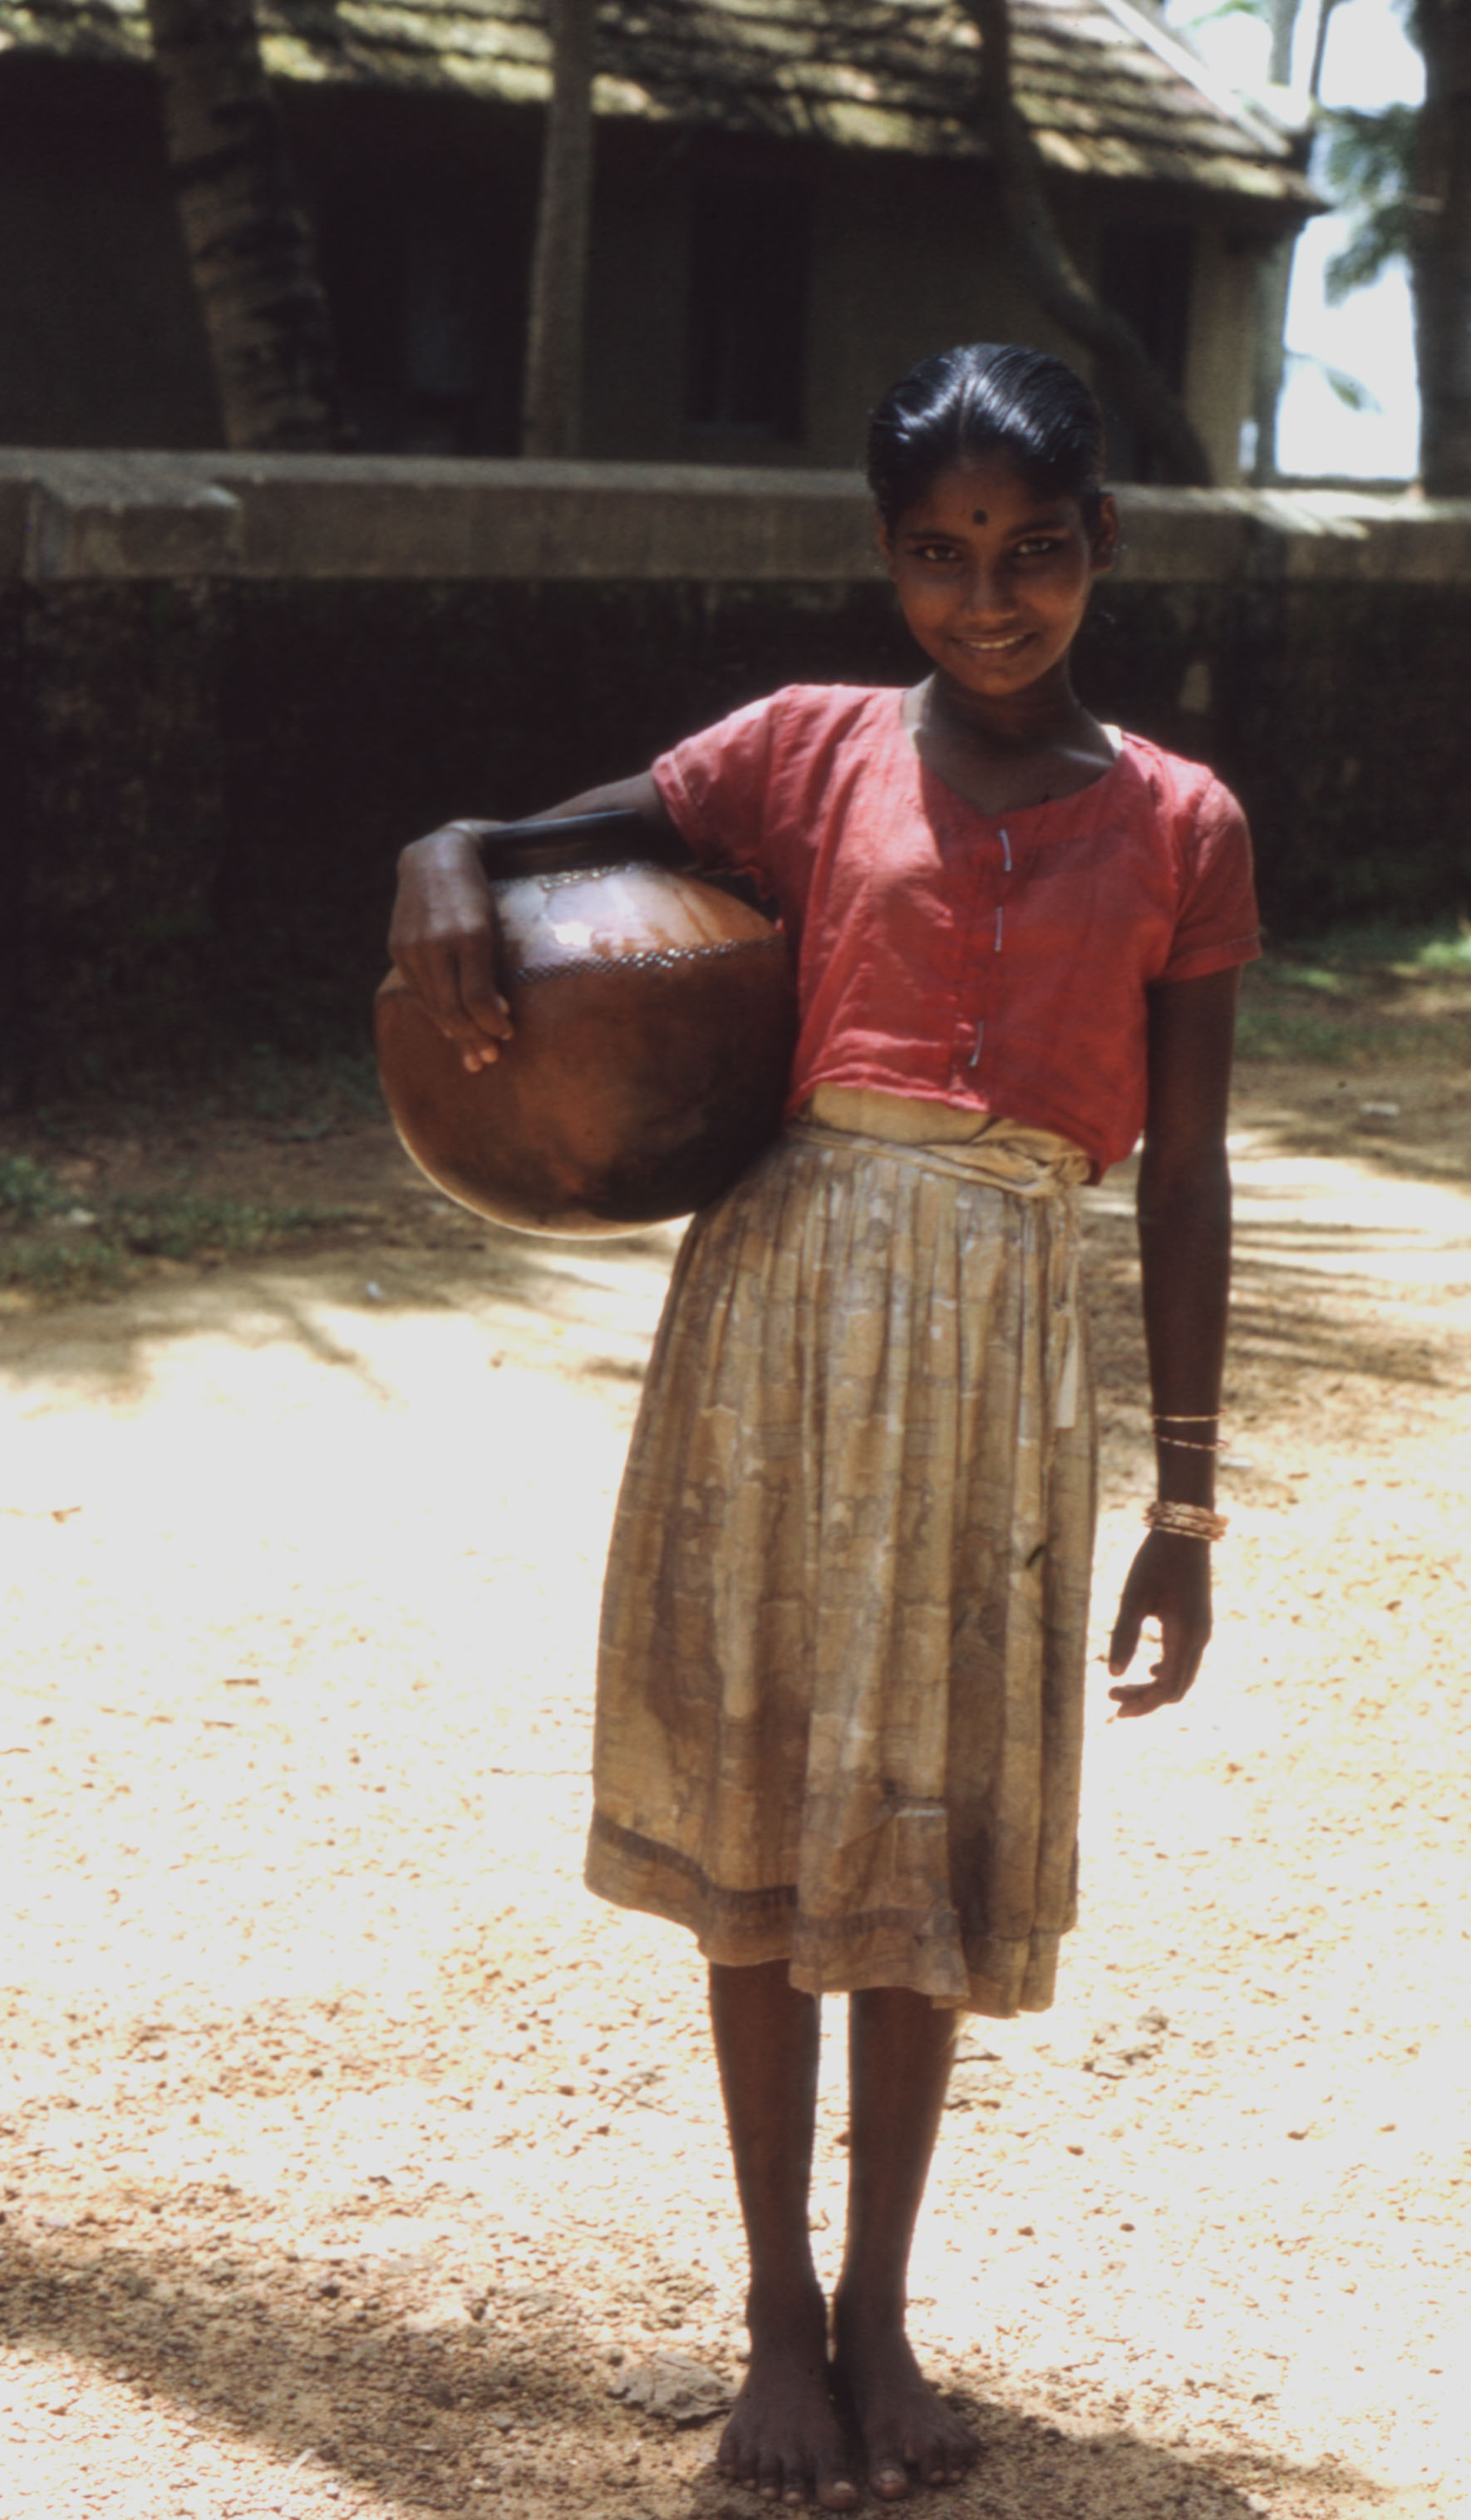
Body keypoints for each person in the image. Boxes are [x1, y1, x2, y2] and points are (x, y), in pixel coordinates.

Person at [388, 342, 1260, 2511]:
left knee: (927, 1831)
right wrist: (441, 851)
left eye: (1034, 554)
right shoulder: (800, 753)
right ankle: (776, 2305)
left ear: (1103, 550)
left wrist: (1188, 1497)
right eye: (945, 559)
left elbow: (1193, 1173)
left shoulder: (1183, 826)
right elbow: (543, 837)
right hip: (780, 1318)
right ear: (888, 562)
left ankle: (883, 2307)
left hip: (995, 1348)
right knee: (773, 1827)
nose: (990, 600)